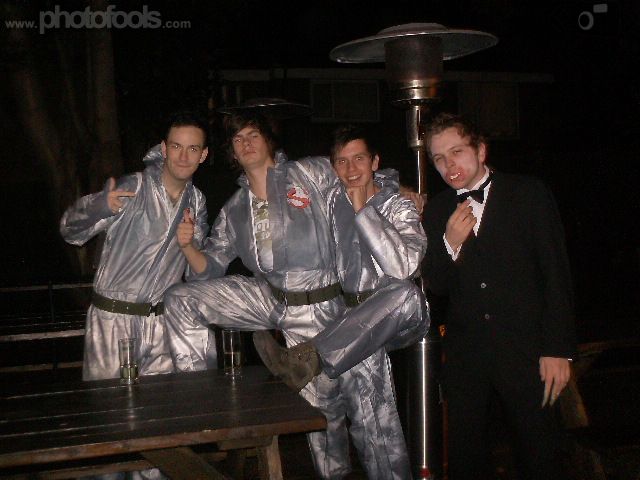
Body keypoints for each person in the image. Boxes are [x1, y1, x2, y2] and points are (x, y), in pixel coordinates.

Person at [163, 113, 425, 479]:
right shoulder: (235, 209)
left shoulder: (307, 172)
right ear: (232, 153)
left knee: (353, 414)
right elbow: (211, 266)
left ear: (268, 141)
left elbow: (356, 172)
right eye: (238, 139)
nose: (246, 143)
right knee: (181, 299)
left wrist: (398, 189)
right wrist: (189, 247)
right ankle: (202, 404)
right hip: (274, 300)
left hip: (329, 303)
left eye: (253, 135)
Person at [253, 124, 430, 479]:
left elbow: (403, 267)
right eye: (342, 162)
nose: (351, 169)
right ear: (333, 167)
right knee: (370, 417)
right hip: (352, 323)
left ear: (375, 162)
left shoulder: (398, 205)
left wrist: (365, 211)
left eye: (359, 159)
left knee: (405, 292)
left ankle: (311, 356)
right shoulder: (332, 201)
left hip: (400, 313)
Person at [421, 112, 577, 480]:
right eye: (439, 158)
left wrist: (558, 348)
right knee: (466, 457)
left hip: (526, 350)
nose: (449, 166)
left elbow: (555, 273)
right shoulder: (437, 209)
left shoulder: (528, 193)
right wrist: (449, 245)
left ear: (480, 150)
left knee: (539, 454)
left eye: (457, 152)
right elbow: (435, 285)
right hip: (466, 355)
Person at [60, 110, 210, 382]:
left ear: (203, 155)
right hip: (113, 320)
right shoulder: (134, 187)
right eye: (176, 146)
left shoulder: (196, 202)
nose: (183, 156)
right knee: (109, 404)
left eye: (192, 149)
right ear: (164, 149)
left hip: (161, 324)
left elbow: (198, 271)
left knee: (159, 405)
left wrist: (189, 245)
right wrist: (99, 207)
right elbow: (70, 231)